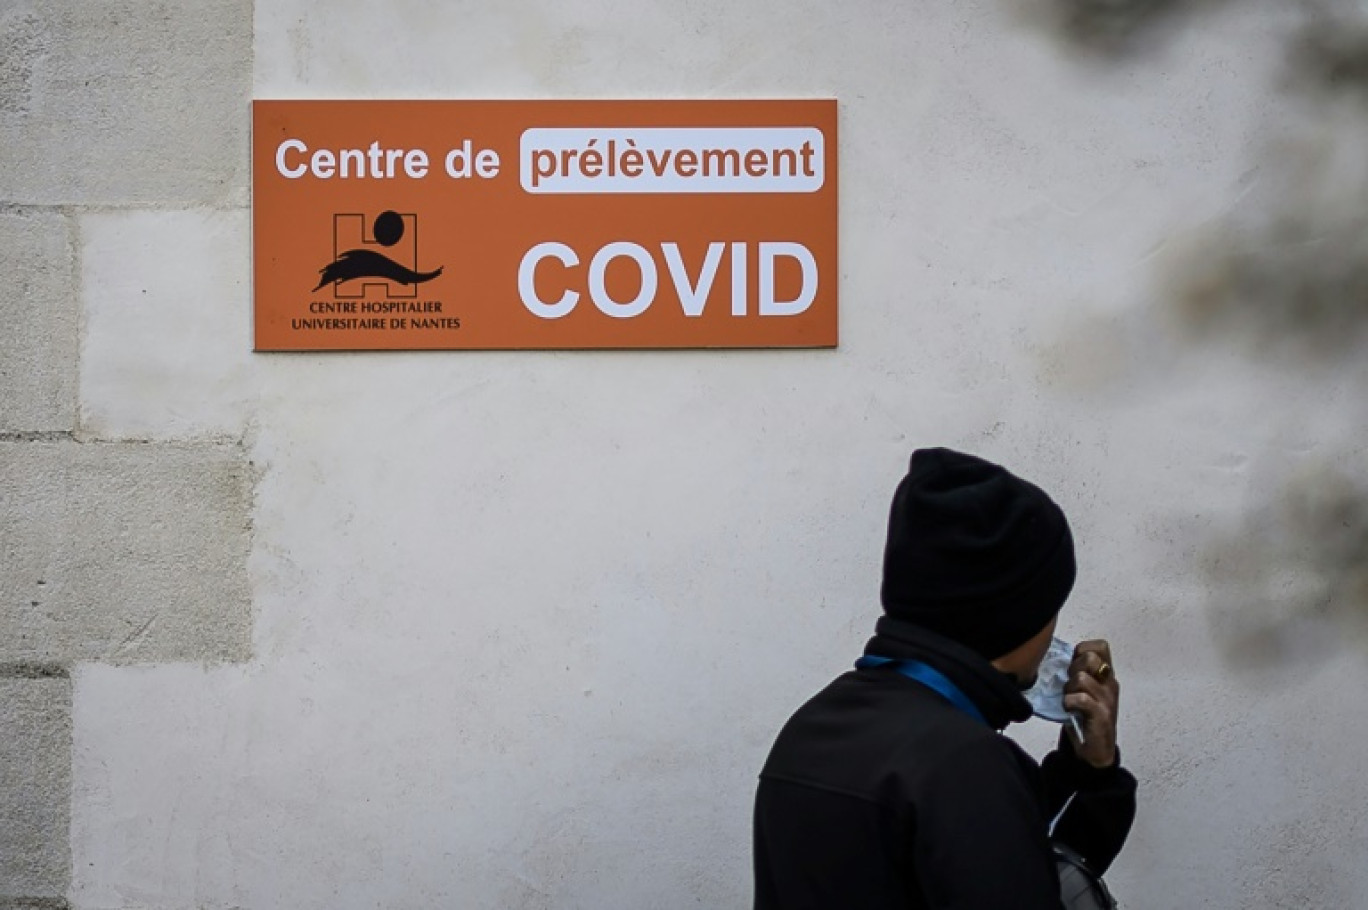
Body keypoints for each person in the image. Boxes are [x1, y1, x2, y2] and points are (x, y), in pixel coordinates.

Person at [753, 448, 1136, 909]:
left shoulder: (814, 727)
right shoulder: (966, 764)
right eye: (1050, 605)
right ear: (1016, 614)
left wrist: (1089, 772)